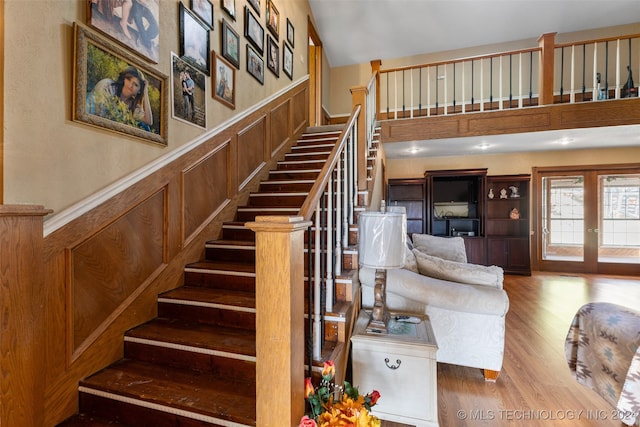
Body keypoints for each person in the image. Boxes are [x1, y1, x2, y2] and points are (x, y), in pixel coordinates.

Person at [87, 65, 153, 131]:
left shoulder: (133, 105)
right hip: (90, 122)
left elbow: (148, 121)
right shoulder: (109, 87)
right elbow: (99, 115)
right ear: (124, 79)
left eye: (135, 84)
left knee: (145, 128)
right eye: (129, 79)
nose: (130, 85)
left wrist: (145, 92)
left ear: (139, 91)